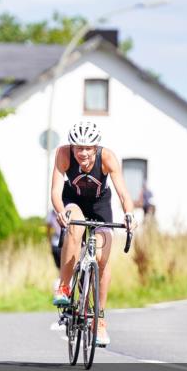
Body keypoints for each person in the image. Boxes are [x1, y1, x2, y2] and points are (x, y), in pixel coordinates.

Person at [50, 120, 137, 347]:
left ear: (96, 148)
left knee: (101, 260)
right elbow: (56, 192)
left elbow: (124, 194)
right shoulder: (63, 154)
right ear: (72, 147)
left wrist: (129, 215)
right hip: (73, 201)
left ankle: (98, 319)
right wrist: (61, 212)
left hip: (100, 205)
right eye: (79, 147)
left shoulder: (107, 158)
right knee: (74, 227)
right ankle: (65, 286)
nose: (84, 153)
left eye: (89, 148)